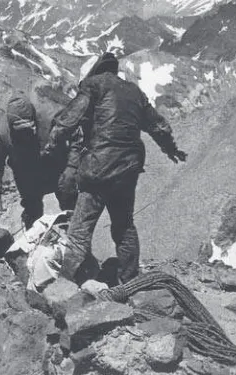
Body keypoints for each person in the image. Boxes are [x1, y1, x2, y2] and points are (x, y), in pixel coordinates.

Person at [46, 52, 187, 285]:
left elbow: (70, 118)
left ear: (91, 73)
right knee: (124, 227)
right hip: (128, 169)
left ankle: (63, 287)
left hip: (98, 168)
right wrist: (171, 149)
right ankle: (130, 283)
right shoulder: (134, 91)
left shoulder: (93, 85)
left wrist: (53, 141)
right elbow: (159, 126)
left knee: (79, 232)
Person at [0, 91, 81, 230]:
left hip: (55, 165)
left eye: (29, 128)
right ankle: (33, 240)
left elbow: (77, 135)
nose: (25, 134)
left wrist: (72, 167)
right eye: (19, 130)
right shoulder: (0, 132)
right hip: (26, 172)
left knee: (68, 195)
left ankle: (75, 235)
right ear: (11, 127)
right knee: (32, 209)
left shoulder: (52, 116)